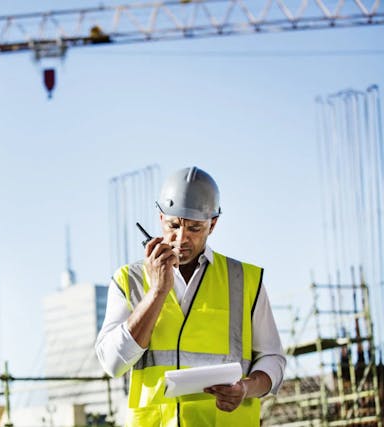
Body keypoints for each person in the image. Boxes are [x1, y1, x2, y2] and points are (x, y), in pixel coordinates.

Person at [95, 166, 285, 426]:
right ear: (160, 218)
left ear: (213, 224)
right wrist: (157, 291)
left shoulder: (244, 280)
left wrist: (246, 388)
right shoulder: (130, 281)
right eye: (173, 225)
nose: (181, 238)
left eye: (195, 228)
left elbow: (273, 358)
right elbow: (113, 363)